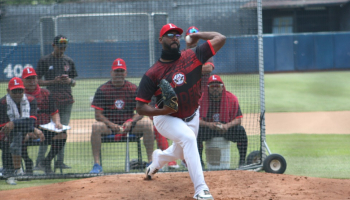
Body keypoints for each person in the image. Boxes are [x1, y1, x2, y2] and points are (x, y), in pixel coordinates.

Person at [136, 23, 226, 200]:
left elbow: (220, 39)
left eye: (177, 35)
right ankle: (201, 189)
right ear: (161, 40)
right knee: (188, 139)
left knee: (179, 152)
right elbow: (140, 107)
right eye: (169, 35)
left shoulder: (193, 55)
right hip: (165, 117)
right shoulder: (153, 73)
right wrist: (162, 110)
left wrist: (198, 35)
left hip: (192, 115)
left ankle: (158, 160)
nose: (174, 37)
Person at [89, 58, 154, 174]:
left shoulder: (133, 88)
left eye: (121, 71)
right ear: (111, 73)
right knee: (96, 127)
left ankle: (151, 162)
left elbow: (141, 111)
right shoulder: (103, 90)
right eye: (116, 71)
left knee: (147, 123)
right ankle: (97, 165)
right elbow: (97, 115)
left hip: (129, 126)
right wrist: (111, 124)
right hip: (109, 127)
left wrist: (131, 122)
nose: (119, 74)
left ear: (126, 73)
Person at [35, 34, 78, 170]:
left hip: (66, 100)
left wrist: (69, 81)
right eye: (60, 47)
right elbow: (37, 81)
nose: (62, 49)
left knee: (62, 131)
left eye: (64, 47)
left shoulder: (69, 61)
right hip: (49, 101)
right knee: (46, 130)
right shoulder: (45, 60)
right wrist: (54, 81)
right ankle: (39, 162)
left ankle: (59, 162)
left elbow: (74, 81)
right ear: (53, 46)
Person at [21, 67, 67, 174]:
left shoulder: (46, 93)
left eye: (33, 78)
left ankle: (46, 162)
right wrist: (29, 129)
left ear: (37, 79)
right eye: (28, 79)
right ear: (23, 81)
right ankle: (28, 162)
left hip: (46, 128)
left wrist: (57, 122)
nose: (32, 82)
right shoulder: (20, 94)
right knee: (20, 137)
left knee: (62, 135)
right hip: (27, 129)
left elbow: (54, 112)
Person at [198, 75, 248, 168]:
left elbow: (238, 119)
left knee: (241, 131)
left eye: (218, 86)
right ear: (208, 88)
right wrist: (209, 125)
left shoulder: (232, 98)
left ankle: (242, 161)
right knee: (195, 133)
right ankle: (199, 163)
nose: (215, 89)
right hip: (209, 130)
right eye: (212, 87)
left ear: (222, 87)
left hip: (226, 129)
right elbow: (196, 121)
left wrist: (227, 126)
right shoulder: (201, 100)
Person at [0, 77, 38, 185]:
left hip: (26, 132)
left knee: (16, 136)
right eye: (14, 91)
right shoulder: (2, 102)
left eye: (20, 90)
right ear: (8, 91)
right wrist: (28, 129)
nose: (17, 94)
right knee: (9, 138)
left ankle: (12, 172)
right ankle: (11, 171)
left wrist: (15, 124)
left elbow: (31, 121)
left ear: (24, 90)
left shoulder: (31, 100)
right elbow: (4, 126)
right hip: (6, 134)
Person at [185, 26, 215, 95]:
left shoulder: (204, 53)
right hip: (186, 93)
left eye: (196, 38)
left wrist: (186, 70)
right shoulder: (180, 54)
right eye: (191, 37)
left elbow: (208, 68)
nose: (193, 40)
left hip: (203, 93)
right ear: (186, 38)